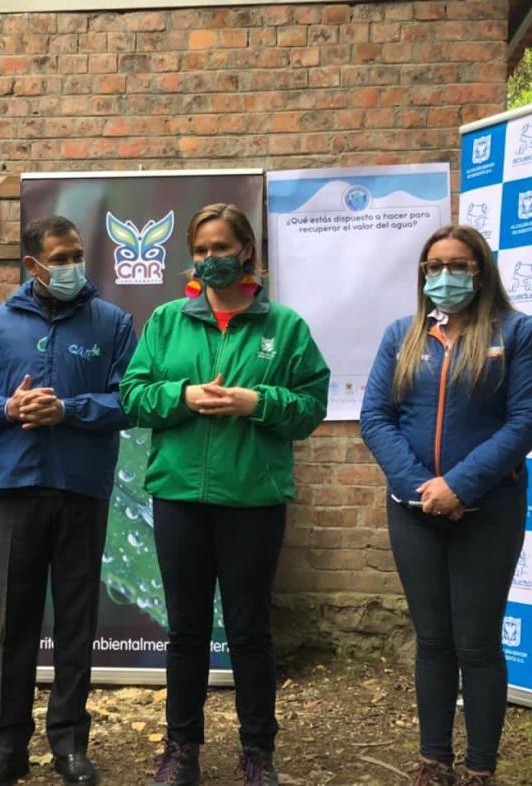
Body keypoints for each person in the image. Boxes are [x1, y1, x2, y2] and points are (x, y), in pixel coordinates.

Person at [120, 203, 329, 786]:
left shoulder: (284, 328)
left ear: (247, 252)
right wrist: (182, 396)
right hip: (179, 495)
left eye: (222, 248)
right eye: (202, 250)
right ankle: (182, 749)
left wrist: (256, 403)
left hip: (253, 500)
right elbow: (134, 395)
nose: (212, 259)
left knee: (250, 630)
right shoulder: (166, 321)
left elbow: (312, 406)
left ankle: (258, 753)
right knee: (185, 629)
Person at [360, 225, 532, 786]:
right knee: (434, 639)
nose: (444, 276)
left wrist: (460, 487)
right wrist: (424, 488)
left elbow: (524, 424)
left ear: (481, 270)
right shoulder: (403, 335)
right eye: (433, 266)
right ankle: (434, 760)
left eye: (458, 265)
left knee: (478, 642)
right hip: (413, 509)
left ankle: (480, 769)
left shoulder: (516, 334)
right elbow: (376, 417)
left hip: (489, 509)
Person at [0, 215, 137, 786]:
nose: (71, 267)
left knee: (77, 621)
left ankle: (70, 745)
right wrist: (9, 409)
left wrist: (70, 410)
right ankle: (7, 748)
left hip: (82, 488)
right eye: (59, 258)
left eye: (77, 256)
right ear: (32, 265)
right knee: (17, 622)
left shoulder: (112, 321)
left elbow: (130, 400)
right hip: (18, 489)